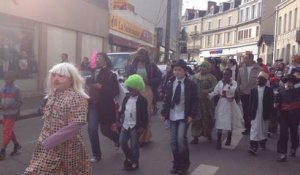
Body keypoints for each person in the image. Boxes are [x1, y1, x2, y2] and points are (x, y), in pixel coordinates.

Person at [24, 63, 92, 174]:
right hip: (48, 146)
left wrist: (49, 142)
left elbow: (76, 124)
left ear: (71, 79)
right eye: (54, 75)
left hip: (69, 148)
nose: (56, 78)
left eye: (61, 76)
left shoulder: (77, 97)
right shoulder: (54, 94)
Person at [161, 59, 198, 175]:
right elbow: (167, 99)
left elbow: (195, 101)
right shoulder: (171, 82)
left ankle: (184, 164)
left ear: (185, 71)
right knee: (173, 142)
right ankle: (176, 163)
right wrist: (164, 113)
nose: (176, 72)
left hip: (183, 115)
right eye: (175, 70)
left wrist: (192, 115)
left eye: (179, 70)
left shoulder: (191, 84)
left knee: (181, 140)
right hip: (172, 114)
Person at [87, 52, 120, 162]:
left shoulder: (110, 74)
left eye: (99, 58)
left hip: (105, 107)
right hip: (93, 105)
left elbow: (115, 91)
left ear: (105, 61)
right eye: (96, 58)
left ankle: (118, 139)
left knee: (105, 131)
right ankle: (97, 155)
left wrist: (102, 87)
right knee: (92, 129)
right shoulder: (91, 73)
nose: (96, 60)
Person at [119, 74, 148, 171]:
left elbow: (145, 115)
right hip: (125, 124)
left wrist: (143, 126)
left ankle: (135, 162)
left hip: (135, 126)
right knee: (122, 142)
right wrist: (120, 119)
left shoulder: (142, 100)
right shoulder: (126, 98)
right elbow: (123, 110)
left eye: (132, 89)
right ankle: (129, 157)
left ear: (138, 88)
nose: (130, 91)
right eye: (129, 89)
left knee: (134, 145)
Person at [209, 68, 243, 150]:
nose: (225, 76)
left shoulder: (233, 83)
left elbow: (231, 92)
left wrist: (226, 85)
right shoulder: (220, 82)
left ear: (231, 75)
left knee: (230, 120)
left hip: (230, 103)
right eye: (224, 74)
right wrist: (210, 95)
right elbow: (216, 91)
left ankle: (229, 137)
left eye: (227, 74)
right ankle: (219, 140)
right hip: (222, 103)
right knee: (220, 120)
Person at [190, 61, 217, 143]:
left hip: (207, 102)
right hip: (196, 101)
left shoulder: (212, 78)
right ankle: (195, 136)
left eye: (204, 66)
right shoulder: (194, 77)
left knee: (208, 118)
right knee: (196, 119)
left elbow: (216, 88)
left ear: (208, 68)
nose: (202, 68)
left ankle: (208, 133)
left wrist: (208, 91)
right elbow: (191, 87)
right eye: (201, 66)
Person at [247, 71, 274, 155]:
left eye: (260, 79)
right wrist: (248, 113)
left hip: (264, 114)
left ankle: (262, 143)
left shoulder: (269, 90)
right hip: (255, 113)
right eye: (257, 79)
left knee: (263, 129)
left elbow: (271, 103)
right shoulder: (254, 90)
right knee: (254, 129)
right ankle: (253, 147)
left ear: (265, 81)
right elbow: (250, 103)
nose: (258, 80)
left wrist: (271, 115)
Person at [129, 47, 162, 114]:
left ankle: (147, 121)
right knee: (136, 109)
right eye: (139, 54)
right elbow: (129, 75)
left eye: (143, 54)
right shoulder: (133, 65)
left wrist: (149, 81)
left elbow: (159, 76)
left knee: (146, 109)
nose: (141, 56)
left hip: (147, 90)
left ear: (146, 55)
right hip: (136, 90)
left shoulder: (151, 65)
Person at [275, 75, 300, 162]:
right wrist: (276, 103)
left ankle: (294, 148)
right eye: (287, 82)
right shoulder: (280, 92)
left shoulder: (298, 91)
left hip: (295, 116)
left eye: (291, 82)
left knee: (294, 133)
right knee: (283, 134)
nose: (289, 83)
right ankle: (282, 154)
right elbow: (277, 104)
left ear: (293, 83)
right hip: (284, 115)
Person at [237, 51, 261, 135]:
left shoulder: (258, 69)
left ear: (251, 59)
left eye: (245, 59)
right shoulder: (241, 68)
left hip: (254, 93)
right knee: (245, 111)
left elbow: (262, 81)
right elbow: (238, 80)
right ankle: (247, 128)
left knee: (253, 111)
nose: (244, 60)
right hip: (244, 93)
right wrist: (239, 89)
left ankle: (254, 128)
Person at [0, 71, 22, 160]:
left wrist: (9, 105)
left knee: (6, 130)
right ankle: (16, 145)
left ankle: (2, 151)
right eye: (5, 78)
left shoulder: (17, 89)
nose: (6, 80)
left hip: (12, 113)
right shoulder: (3, 88)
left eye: (8, 79)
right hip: (4, 113)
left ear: (13, 79)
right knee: (9, 130)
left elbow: (20, 102)